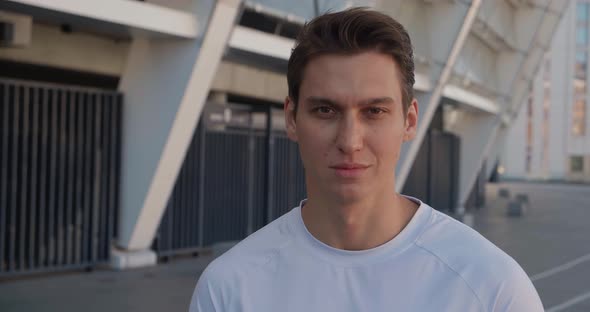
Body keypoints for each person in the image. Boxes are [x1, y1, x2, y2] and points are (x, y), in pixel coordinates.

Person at [189, 7, 543, 312]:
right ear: (292, 118)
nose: (350, 141)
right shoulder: (229, 289)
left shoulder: (492, 289)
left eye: (374, 111)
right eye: (325, 110)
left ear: (409, 121)